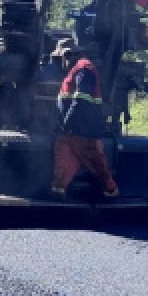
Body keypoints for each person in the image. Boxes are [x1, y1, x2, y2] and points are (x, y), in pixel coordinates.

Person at [50, 39, 119, 199]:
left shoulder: (84, 69)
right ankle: (57, 192)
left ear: (68, 55)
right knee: (64, 158)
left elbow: (80, 99)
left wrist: (67, 120)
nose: (61, 62)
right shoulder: (76, 69)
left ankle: (110, 190)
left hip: (82, 127)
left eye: (61, 58)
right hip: (71, 128)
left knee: (94, 159)